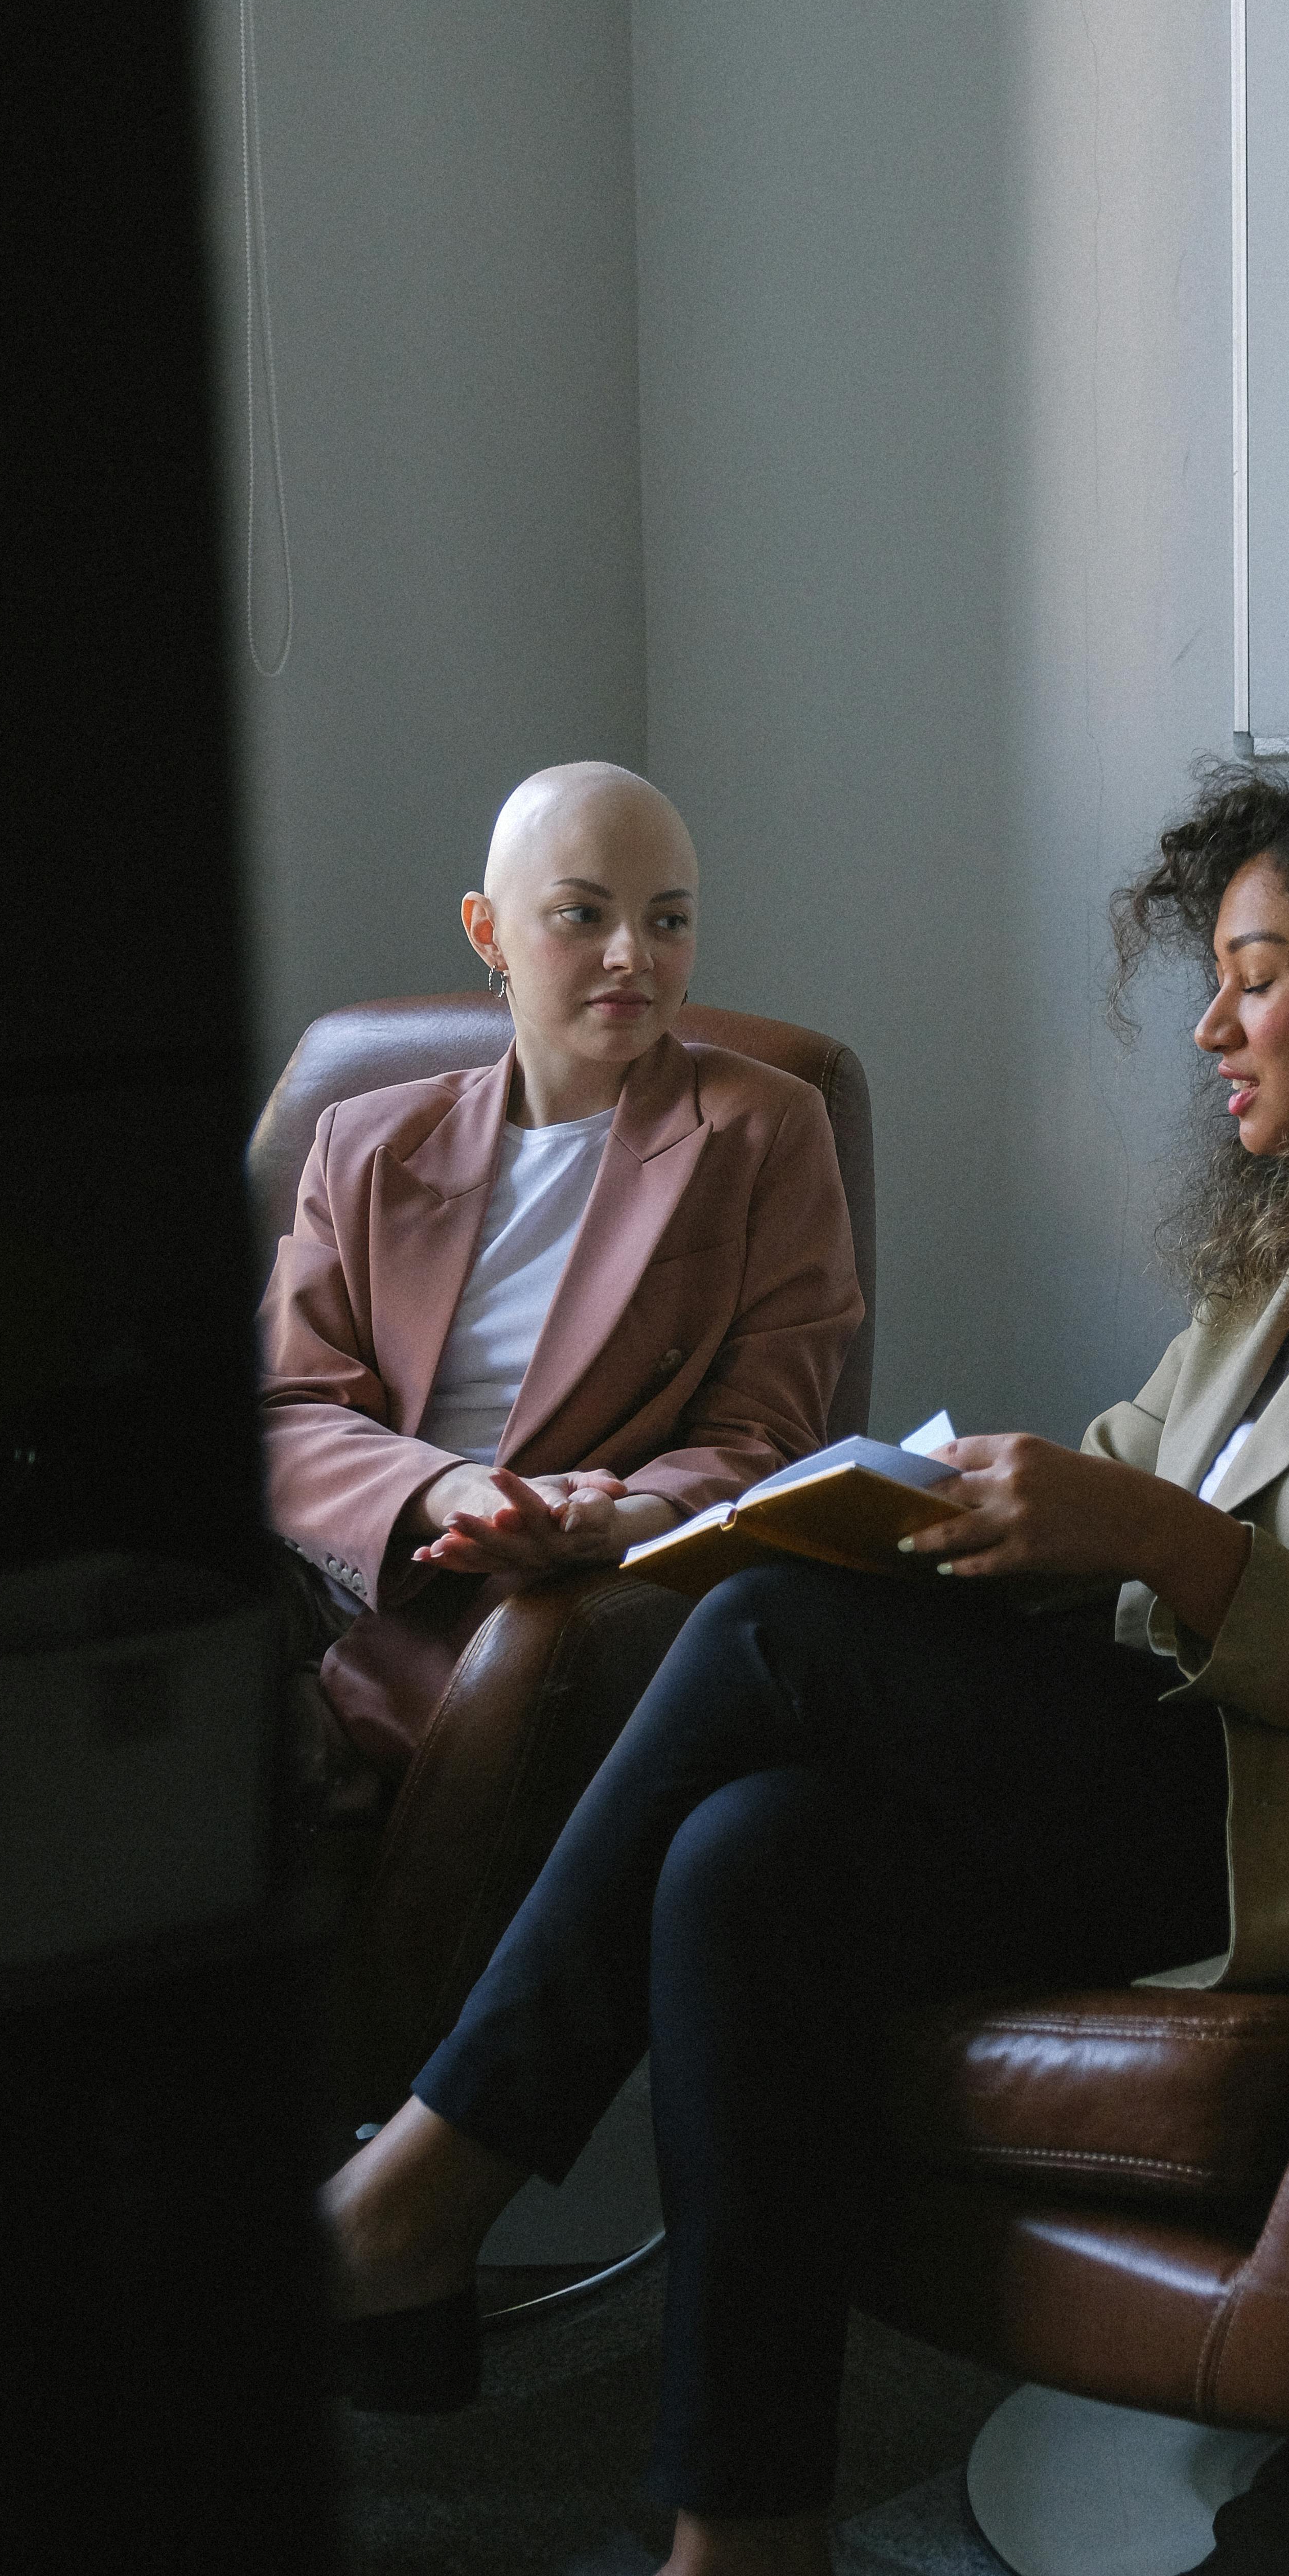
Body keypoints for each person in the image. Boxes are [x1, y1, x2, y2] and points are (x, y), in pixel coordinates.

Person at [322, 755, 1289, 2576]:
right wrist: (956, 1512)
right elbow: (1135, 1475)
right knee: (748, 1858)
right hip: (1194, 1769)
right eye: (1213, 982)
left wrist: (1148, 1542)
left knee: (766, 1638)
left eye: (1258, 975)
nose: (1215, 1027)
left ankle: (418, 2193)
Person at [259, 760, 862, 1798]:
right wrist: (445, 1489)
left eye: (668, 922)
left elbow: (763, 1437)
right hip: (353, 1573)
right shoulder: (363, 1143)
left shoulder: (761, 1128)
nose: (632, 955)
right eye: (582, 916)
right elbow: (289, 1408)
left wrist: (615, 1517)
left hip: (569, 1604)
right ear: (488, 932)